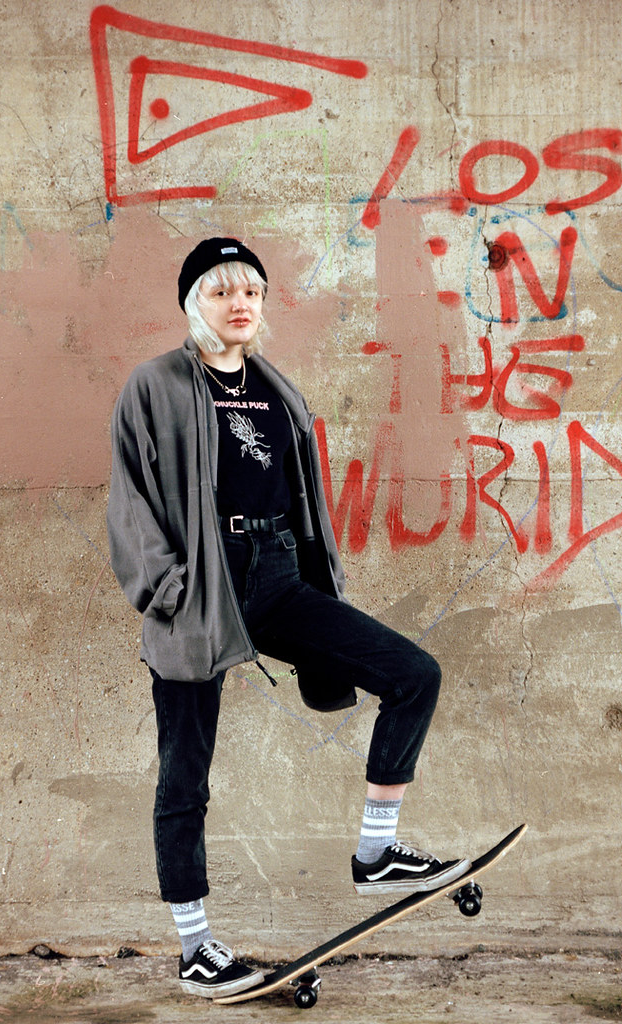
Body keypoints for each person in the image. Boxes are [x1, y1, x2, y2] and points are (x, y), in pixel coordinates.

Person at [107, 237, 469, 998]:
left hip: (274, 576)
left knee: (413, 675)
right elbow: (130, 499)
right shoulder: (158, 386)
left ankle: (377, 853)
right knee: (185, 777)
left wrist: (313, 575)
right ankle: (196, 947)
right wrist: (168, 591)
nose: (240, 305)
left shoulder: (276, 388)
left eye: (252, 293)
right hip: (199, 589)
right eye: (221, 292)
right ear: (192, 304)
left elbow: (297, 494)